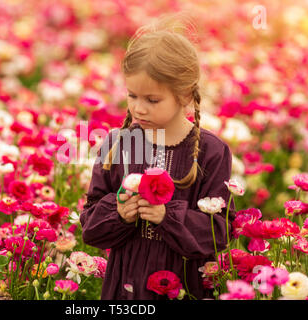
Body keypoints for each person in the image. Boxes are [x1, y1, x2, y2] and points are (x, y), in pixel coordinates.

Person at [80, 13, 236, 300]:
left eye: (152, 100)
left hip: (184, 284)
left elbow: (221, 230)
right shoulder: (118, 144)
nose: (139, 109)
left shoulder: (211, 151)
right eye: (132, 96)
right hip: (125, 286)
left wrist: (169, 217)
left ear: (185, 95)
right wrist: (119, 214)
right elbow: (90, 227)